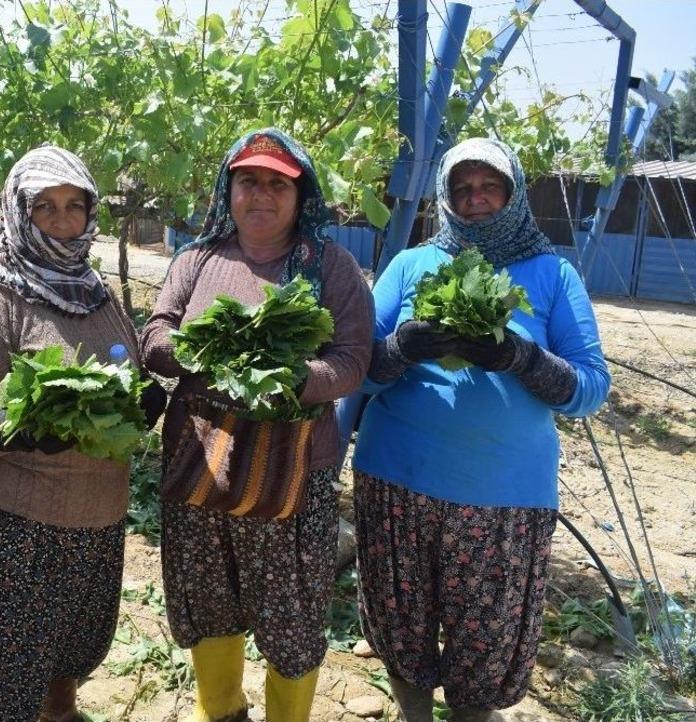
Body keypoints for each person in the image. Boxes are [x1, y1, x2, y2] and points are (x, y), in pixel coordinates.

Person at [352, 137, 611, 722]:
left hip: (505, 498)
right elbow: (355, 370)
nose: (475, 198)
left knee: (486, 645)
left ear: (513, 193)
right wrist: (399, 350)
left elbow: (591, 387)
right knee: (400, 625)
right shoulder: (411, 264)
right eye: (462, 187)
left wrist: (524, 358)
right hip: (397, 482)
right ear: (445, 197)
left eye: (490, 185)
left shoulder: (553, 273)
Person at [139, 128, 374, 722]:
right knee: (208, 596)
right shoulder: (197, 259)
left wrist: (293, 378)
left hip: (293, 473)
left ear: (300, 194)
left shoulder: (331, 266)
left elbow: (353, 360)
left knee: (290, 612)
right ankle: (220, 711)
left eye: (277, 183)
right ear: (229, 190)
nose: (261, 194)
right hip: (202, 464)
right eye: (248, 180)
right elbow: (156, 335)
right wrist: (203, 350)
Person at [0, 145, 166, 722]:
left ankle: (61, 713)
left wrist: (144, 399)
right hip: (18, 523)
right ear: (21, 213)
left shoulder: (98, 294)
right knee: (9, 668)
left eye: (75, 205)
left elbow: (126, 372)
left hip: (98, 512)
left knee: (73, 644)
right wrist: (12, 431)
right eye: (45, 207)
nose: (63, 221)